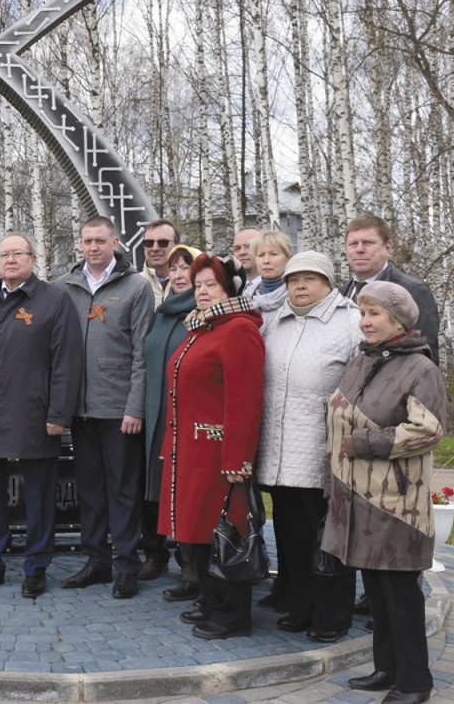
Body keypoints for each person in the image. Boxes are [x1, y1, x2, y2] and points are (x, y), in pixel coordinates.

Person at [324, 281, 446, 704]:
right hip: (356, 497)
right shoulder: (363, 360)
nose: (365, 321)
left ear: (398, 320)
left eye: (374, 313)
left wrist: (364, 443)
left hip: (396, 504)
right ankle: (386, 669)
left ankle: (414, 683)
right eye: (363, 312)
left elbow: (428, 430)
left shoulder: (420, 368)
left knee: (401, 596)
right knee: (376, 592)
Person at [0, 232, 82, 598]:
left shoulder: (55, 300)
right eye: (4, 254)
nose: (10, 260)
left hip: (35, 414)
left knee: (38, 495)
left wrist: (59, 413)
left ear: (32, 258)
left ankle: (36, 567)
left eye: (18, 253)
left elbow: (66, 363)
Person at [158, 254, 264, 640]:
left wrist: (238, 457)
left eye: (210, 285)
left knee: (224, 531)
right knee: (197, 530)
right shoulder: (202, 327)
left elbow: (244, 399)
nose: (201, 292)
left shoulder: (237, 329)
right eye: (198, 285)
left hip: (218, 452)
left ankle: (232, 615)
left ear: (229, 288)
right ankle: (210, 600)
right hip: (190, 449)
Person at [257, 252, 360, 643]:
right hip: (280, 451)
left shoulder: (349, 322)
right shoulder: (277, 323)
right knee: (291, 533)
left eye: (309, 279)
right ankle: (300, 606)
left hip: (325, 451)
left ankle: (333, 614)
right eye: (292, 279)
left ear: (327, 282)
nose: (299, 286)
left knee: (328, 536)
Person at [58, 216, 154, 599]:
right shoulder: (66, 286)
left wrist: (135, 407)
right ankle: (96, 561)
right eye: (87, 241)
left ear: (115, 242)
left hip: (118, 411)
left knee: (122, 491)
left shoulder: (135, 287)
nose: (93, 247)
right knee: (91, 491)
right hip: (80, 411)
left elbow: (142, 353)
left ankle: (127, 564)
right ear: (80, 244)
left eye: (100, 241)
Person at [141, 243, 201, 591]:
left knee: (187, 491)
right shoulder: (162, 313)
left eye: (186, 268)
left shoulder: (206, 312)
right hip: (156, 415)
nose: (179, 275)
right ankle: (159, 553)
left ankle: (193, 567)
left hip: (189, 419)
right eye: (174, 269)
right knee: (158, 488)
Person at [341, 215, 440, 364]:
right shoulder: (342, 294)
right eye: (353, 244)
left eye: (368, 243)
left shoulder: (412, 290)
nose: (359, 249)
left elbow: (425, 356)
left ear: (387, 248)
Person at [249, 229, 291, 315]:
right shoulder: (247, 295)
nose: (266, 261)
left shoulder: (298, 295)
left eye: (274, 254)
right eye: (261, 255)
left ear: (288, 258)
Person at [139, 220, 180, 307]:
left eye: (163, 243)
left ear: (177, 246)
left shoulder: (193, 284)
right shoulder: (133, 285)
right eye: (149, 243)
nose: (155, 248)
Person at [231, 228, 261, 296]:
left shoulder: (281, 288)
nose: (242, 252)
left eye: (248, 246)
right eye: (237, 248)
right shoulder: (228, 289)